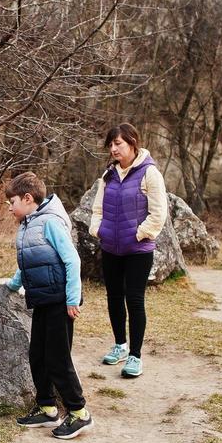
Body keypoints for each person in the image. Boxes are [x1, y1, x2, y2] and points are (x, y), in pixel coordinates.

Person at [3, 172, 92, 440]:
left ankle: (79, 413)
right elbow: (30, 260)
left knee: (57, 358)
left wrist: (72, 299)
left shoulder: (50, 222)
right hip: (42, 299)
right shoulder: (28, 223)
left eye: (12, 201)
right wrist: (13, 283)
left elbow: (72, 261)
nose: (10, 207)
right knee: (38, 355)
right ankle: (47, 407)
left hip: (60, 300)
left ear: (28, 198)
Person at [88, 122, 167, 379]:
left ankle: (135, 355)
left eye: (118, 143)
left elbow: (159, 214)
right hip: (110, 247)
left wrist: (137, 234)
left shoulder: (149, 172)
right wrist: (97, 230)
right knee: (113, 296)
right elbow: (98, 209)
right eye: (110, 145)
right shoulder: (108, 175)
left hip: (138, 250)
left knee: (134, 300)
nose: (113, 149)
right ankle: (120, 345)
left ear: (132, 142)